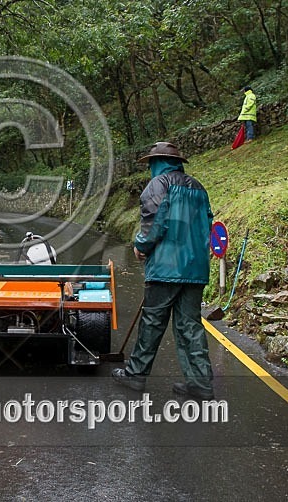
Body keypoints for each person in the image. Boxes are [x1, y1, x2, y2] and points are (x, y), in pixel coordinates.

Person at [112, 142, 215, 400]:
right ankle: (200, 383)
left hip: (166, 268)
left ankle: (136, 374)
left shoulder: (159, 185)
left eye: (151, 163)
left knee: (152, 322)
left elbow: (154, 222)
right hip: (195, 268)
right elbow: (207, 224)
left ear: (156, 162)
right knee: (190, 325)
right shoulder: (199, 189)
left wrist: (140, 246)